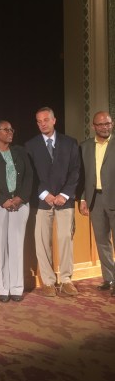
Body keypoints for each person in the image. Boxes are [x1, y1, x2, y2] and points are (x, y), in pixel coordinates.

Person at [25, 107, 80, 297]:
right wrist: (44, 194)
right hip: (42, 201)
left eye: (46, 120)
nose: (43, 124)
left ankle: (66, 280)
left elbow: (76, 171)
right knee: (42, 241)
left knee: (65, 238)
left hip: (64, 200)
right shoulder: (30, 146)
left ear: (54, 120)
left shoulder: (70, 143)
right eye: (39, 121)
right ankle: (48, 282)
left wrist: (64, 194)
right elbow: (30, 176)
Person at [0, 121, 33, 302]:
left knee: (16, 246)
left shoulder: (20, 151)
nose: (10, 132)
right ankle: (2, 288)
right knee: (0, 247)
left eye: (12, 129)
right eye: (5, 130)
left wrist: (20, 198)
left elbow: (29, 176)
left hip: (20, 204)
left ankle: (16, 288)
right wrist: (2, 200)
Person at [79, 111, 115, 296]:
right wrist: (84, 198)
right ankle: (109, 278)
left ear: (112, 123)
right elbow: (84, 177)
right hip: (95, 200)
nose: (105, 127)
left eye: (108, 123)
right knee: (102, 242)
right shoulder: (85, 146)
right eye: (100, 124)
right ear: (93, 126)